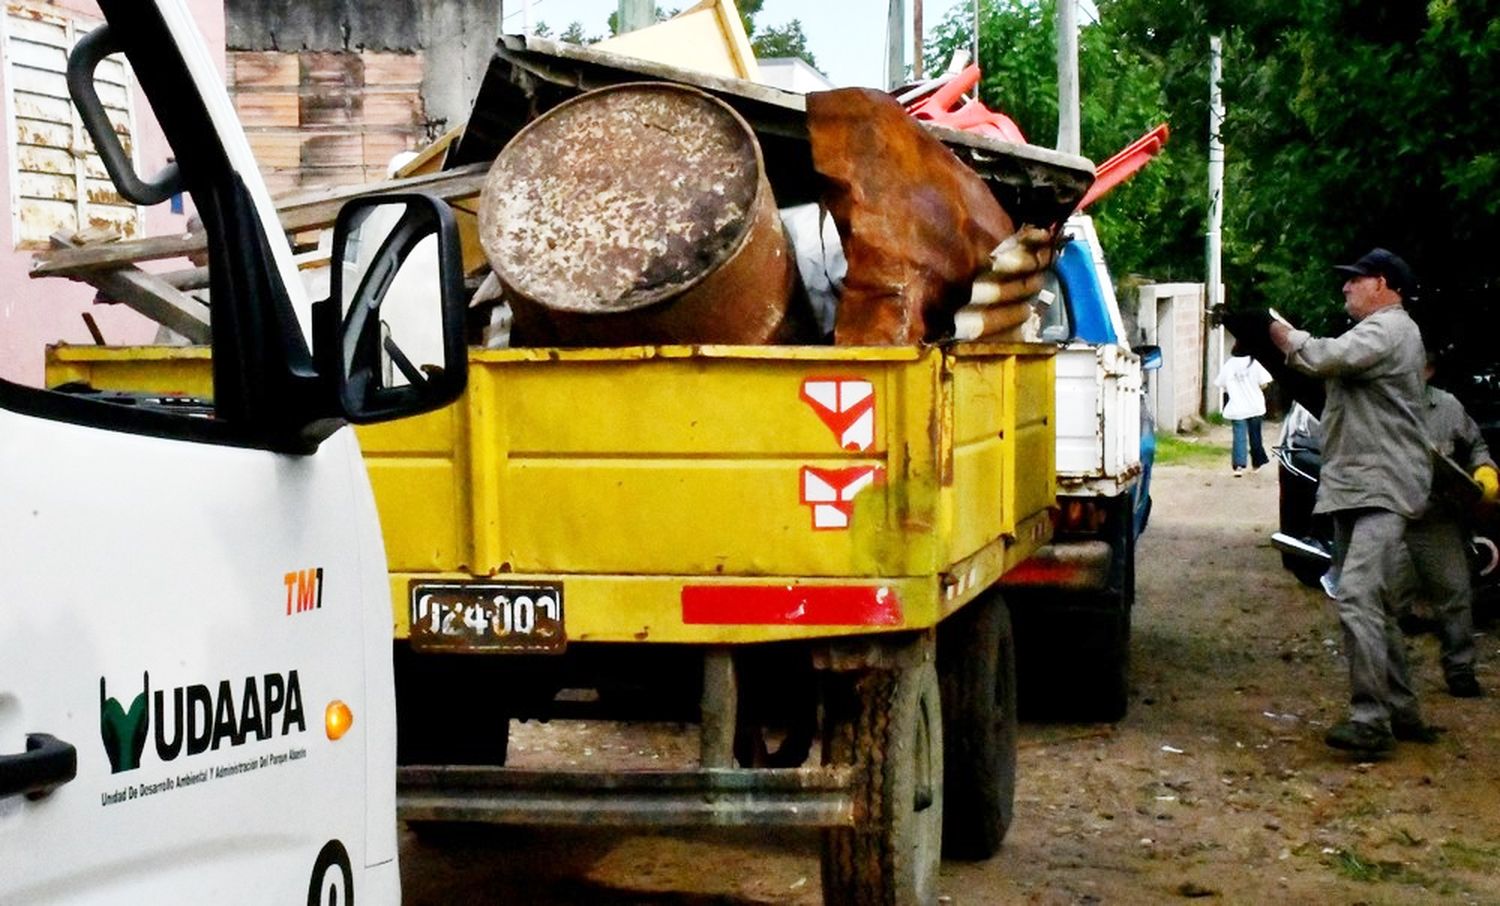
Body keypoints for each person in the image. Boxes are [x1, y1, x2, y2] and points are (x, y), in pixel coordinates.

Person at [1267, 247, 1436, 754]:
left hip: (1381, 486)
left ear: (1382, 285)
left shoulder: (1387, 330)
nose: (1345, 287)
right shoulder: (1384, 332)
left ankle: (1371, 721)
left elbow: (1324, 358)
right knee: (1376, 603)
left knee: (1357, 595)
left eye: (1354, 280)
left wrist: (1281, 334)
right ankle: (1401, 711)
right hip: (1364, 485)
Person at [1397, 351, 1499, 698]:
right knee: (1380, 600)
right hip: (1389, 517)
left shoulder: (1448, 407)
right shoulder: (1379, 403)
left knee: (1455, 594)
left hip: (1436, 518)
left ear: (1429, 369)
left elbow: (1476, 445)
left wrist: (1484, 471)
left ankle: (1460, 670)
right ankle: (1386, 680)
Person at [1215, 355, 1274, 476]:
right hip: (1255, 406)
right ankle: (1257, 463)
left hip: (1237, 407)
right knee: (1255, 435)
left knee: (1239, 436)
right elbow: (1264, 383)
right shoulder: (1256, 363)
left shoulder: (1230, 364)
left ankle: (1238, 466)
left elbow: (1221, 383)